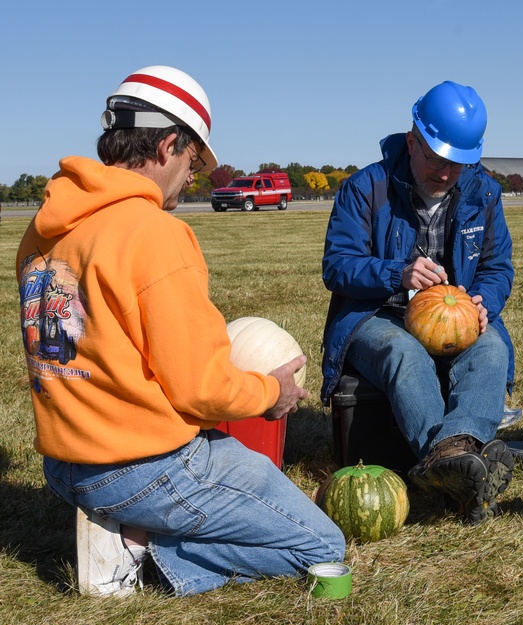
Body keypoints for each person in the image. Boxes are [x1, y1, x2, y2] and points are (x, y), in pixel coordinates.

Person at [16, 66, 345, 597]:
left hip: (65, 465)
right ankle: (141, 550)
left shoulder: (44, 227)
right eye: (193, 160)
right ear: (169, 144)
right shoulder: (154, 233)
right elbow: (202, 389)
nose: (192, 177)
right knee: (320, 545)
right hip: (143, 468)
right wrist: (271, 392)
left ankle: (124, 525)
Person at [321, 80, 516, 524]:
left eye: (457, 164)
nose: (445, 173)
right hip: (375, 314)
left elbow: (497, 266)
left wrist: (483, 300)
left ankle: (454, 463)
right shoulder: (365, 188)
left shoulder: (484, 193)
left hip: (453, 312)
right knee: (404, 353)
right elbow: (337, 266)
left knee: (491, 350)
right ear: (412, 140)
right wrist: (397, 273)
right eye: (435, 159)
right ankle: (464, 471)